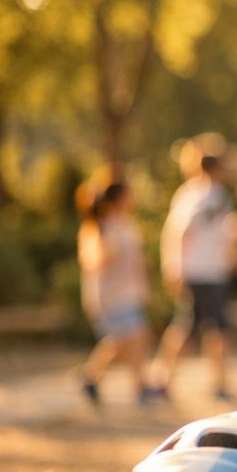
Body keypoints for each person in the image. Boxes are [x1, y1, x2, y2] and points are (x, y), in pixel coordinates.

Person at [152, 136, 237, 401]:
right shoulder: (213, 196)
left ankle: (166, 378)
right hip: (206, 272)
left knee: (192, 328)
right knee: (212, 329)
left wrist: (174, 266)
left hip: (199, 270)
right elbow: (186, 231)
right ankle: (216, 382)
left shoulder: (188, 192)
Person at [76, 175, 160, 409]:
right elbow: (94, 262)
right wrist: (107, 251)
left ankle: (91, 377)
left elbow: (136, 261)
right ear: (118, 199)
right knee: (134, 336)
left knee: (120, 341)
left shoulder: (126, 225)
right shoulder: (98, 228)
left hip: (128, 292)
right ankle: (141, 386)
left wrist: (143, 287)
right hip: (110, 295)